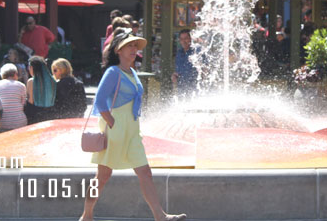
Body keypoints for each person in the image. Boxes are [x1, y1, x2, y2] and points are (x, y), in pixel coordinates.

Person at [79, 32, 185, 221]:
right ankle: (86, 215)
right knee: (102, 177)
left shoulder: (132, 72)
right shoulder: (113, 72)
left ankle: (160, 216)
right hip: (116, 129)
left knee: (145, 172)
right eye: (130, 46)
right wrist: (112, 123)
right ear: (118, 50)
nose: (134, 49)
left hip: (133, 130)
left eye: (135, 46)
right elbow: (100, 100)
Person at [0, 64, 28, 131]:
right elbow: (23, 103)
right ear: (15, 74)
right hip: (19, 122)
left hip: (2, 123)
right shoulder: (21, 85)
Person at [24, 55, 56, 124]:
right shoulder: (53, 80)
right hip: (50, 113)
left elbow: (30, 101)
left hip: (36, 115)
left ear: (32, 67)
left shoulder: (31, 81)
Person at [171, 30, 198, 96]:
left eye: (186, 38)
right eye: (181, 39)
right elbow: (178, 70)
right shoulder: (179, 53)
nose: (183, 41)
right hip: (182, 89)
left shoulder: (197, 51)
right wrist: (174, 75)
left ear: (191, 39)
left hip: (195, 89)